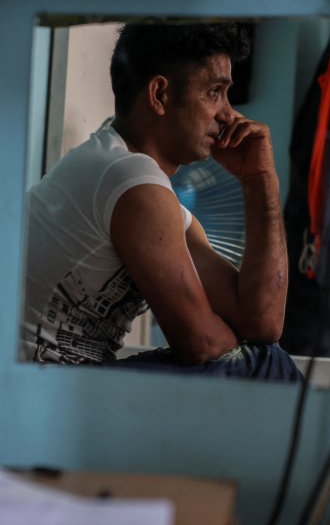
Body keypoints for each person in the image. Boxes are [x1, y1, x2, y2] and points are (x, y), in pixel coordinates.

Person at [21, 22, 299, 381]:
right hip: (30, 390)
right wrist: (235, 341)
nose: (228, 115)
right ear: (160, 95)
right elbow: (201, 344)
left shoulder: (142, 185)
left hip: (61, 386)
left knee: (261, 358)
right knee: (262, 367)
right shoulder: (129, 178)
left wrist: (260, 180)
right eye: (214, 92)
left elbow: (262, 323)